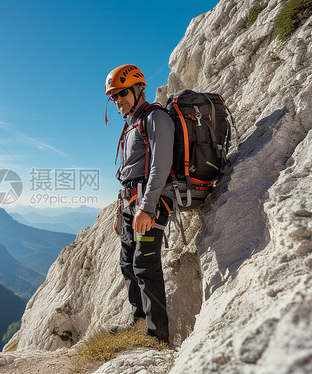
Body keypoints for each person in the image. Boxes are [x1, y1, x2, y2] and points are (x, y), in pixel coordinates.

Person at [105, 64, 174, 343]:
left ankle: (158, 338)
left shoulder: (155, 117)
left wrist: (147, 207)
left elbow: (160, 164)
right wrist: (124, 209)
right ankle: (138, 323)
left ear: (137, 89)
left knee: (145, 265)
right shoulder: (132, 123)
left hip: (150, 202)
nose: (118, 100)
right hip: (130, 203)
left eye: (122, 93)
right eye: (113, 96)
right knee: (127, 263)